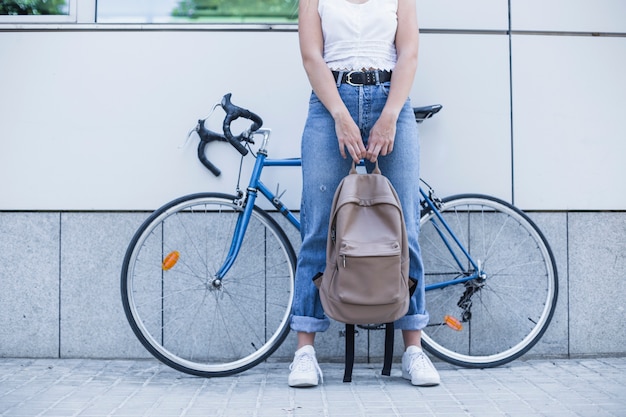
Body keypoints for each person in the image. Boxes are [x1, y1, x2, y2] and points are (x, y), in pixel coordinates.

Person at [289, 0, 440, 388]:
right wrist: (340, 116)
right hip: (329, 105)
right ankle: (305, 352)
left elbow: (409, 52)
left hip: (391, 100)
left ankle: (414, 350)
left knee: (405, 226)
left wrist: (389, 117)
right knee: (318, 228)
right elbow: (311, 56)